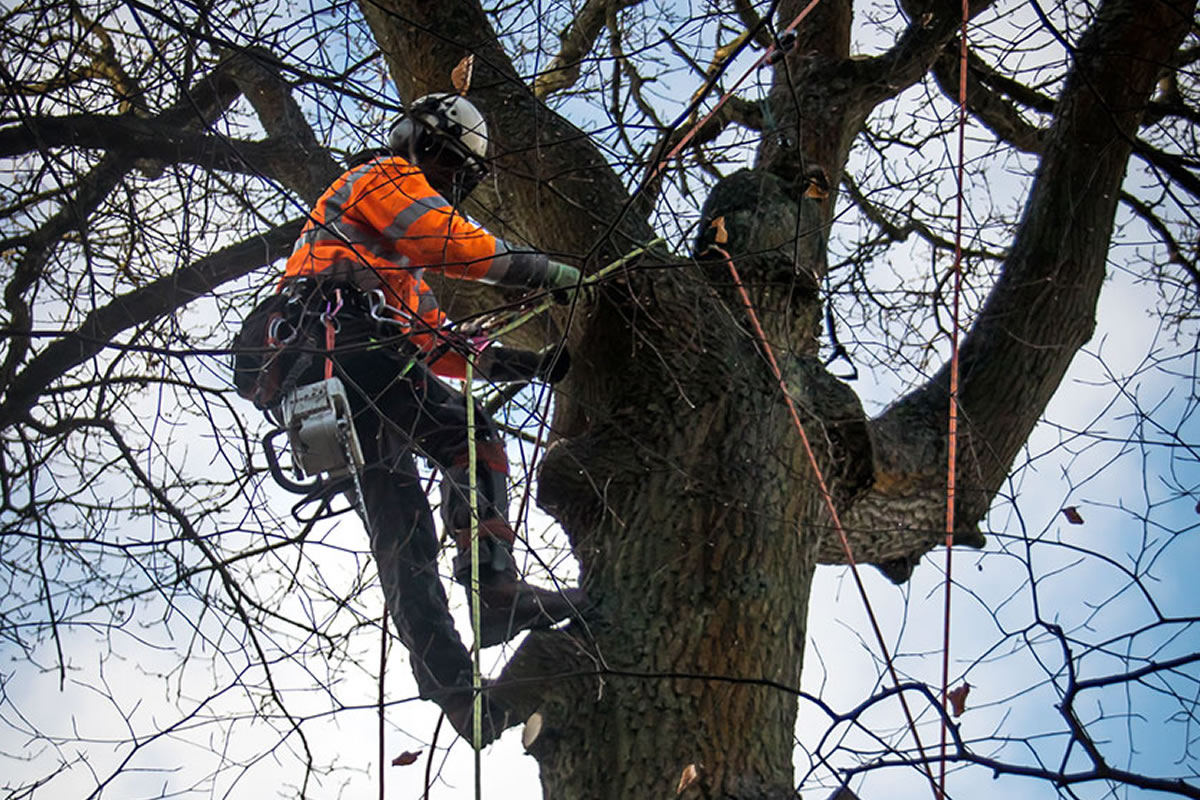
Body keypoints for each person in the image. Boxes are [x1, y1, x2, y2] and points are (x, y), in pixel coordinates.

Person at [236, 93, 588, 733]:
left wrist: (526, 365)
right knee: (469, 434)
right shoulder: (385, 177)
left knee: (404, 541)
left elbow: (435, 343)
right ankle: (495, 585)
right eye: (453, 171)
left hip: (339, 378)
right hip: (348, 346)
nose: (452, 188)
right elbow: (456, 246)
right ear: (432, 148)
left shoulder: (384, 261)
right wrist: (544, 272)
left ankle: (457, 694)